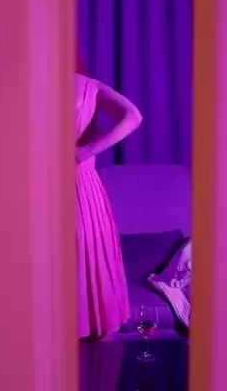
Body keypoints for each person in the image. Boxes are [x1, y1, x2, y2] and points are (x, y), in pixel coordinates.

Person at [75, 67, 142, 338]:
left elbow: (133, 116)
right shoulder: (86, 86)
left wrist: (85, 151)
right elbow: (132, 116)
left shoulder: (87, 86)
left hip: (77, 185)